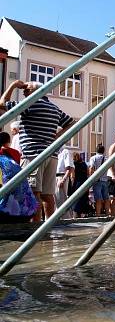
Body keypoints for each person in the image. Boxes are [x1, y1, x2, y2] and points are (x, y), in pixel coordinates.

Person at [0, 80, 74, 222]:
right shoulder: (53, 107)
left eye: (27, 89)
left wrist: (13, 85)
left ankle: (35, 229)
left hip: (33, 155)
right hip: (51, 155)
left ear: (36, 92)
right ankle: (48, 228)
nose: (24, 92)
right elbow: (71, 123)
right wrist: (56, 137)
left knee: (34, 194)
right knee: (48, 195)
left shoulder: (30, 103)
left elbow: (2, 103)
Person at [0, 132, 39, 221]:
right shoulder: (15, 153)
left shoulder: (3, 157)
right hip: (27, 212)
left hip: (5, 213)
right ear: (9, 141)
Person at [88, 143, 111, 217]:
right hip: (105, 180)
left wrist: (91, 176)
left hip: (97, 181)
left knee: (98, 199)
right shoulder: (107, 158)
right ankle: (107, 214)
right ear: (103, 150)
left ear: (96, 150)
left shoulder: (93, 158)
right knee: (106, 198)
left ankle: (98, 215)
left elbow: (91, 168)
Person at [70, 152, 90, 218]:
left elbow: (73, 175)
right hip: (84, 182)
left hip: (77, 182)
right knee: (83, 198)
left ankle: (75, 213)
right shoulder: (84, 164)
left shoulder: (74, 164)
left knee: (77, 198)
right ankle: (82, 214)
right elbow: (88, 173)